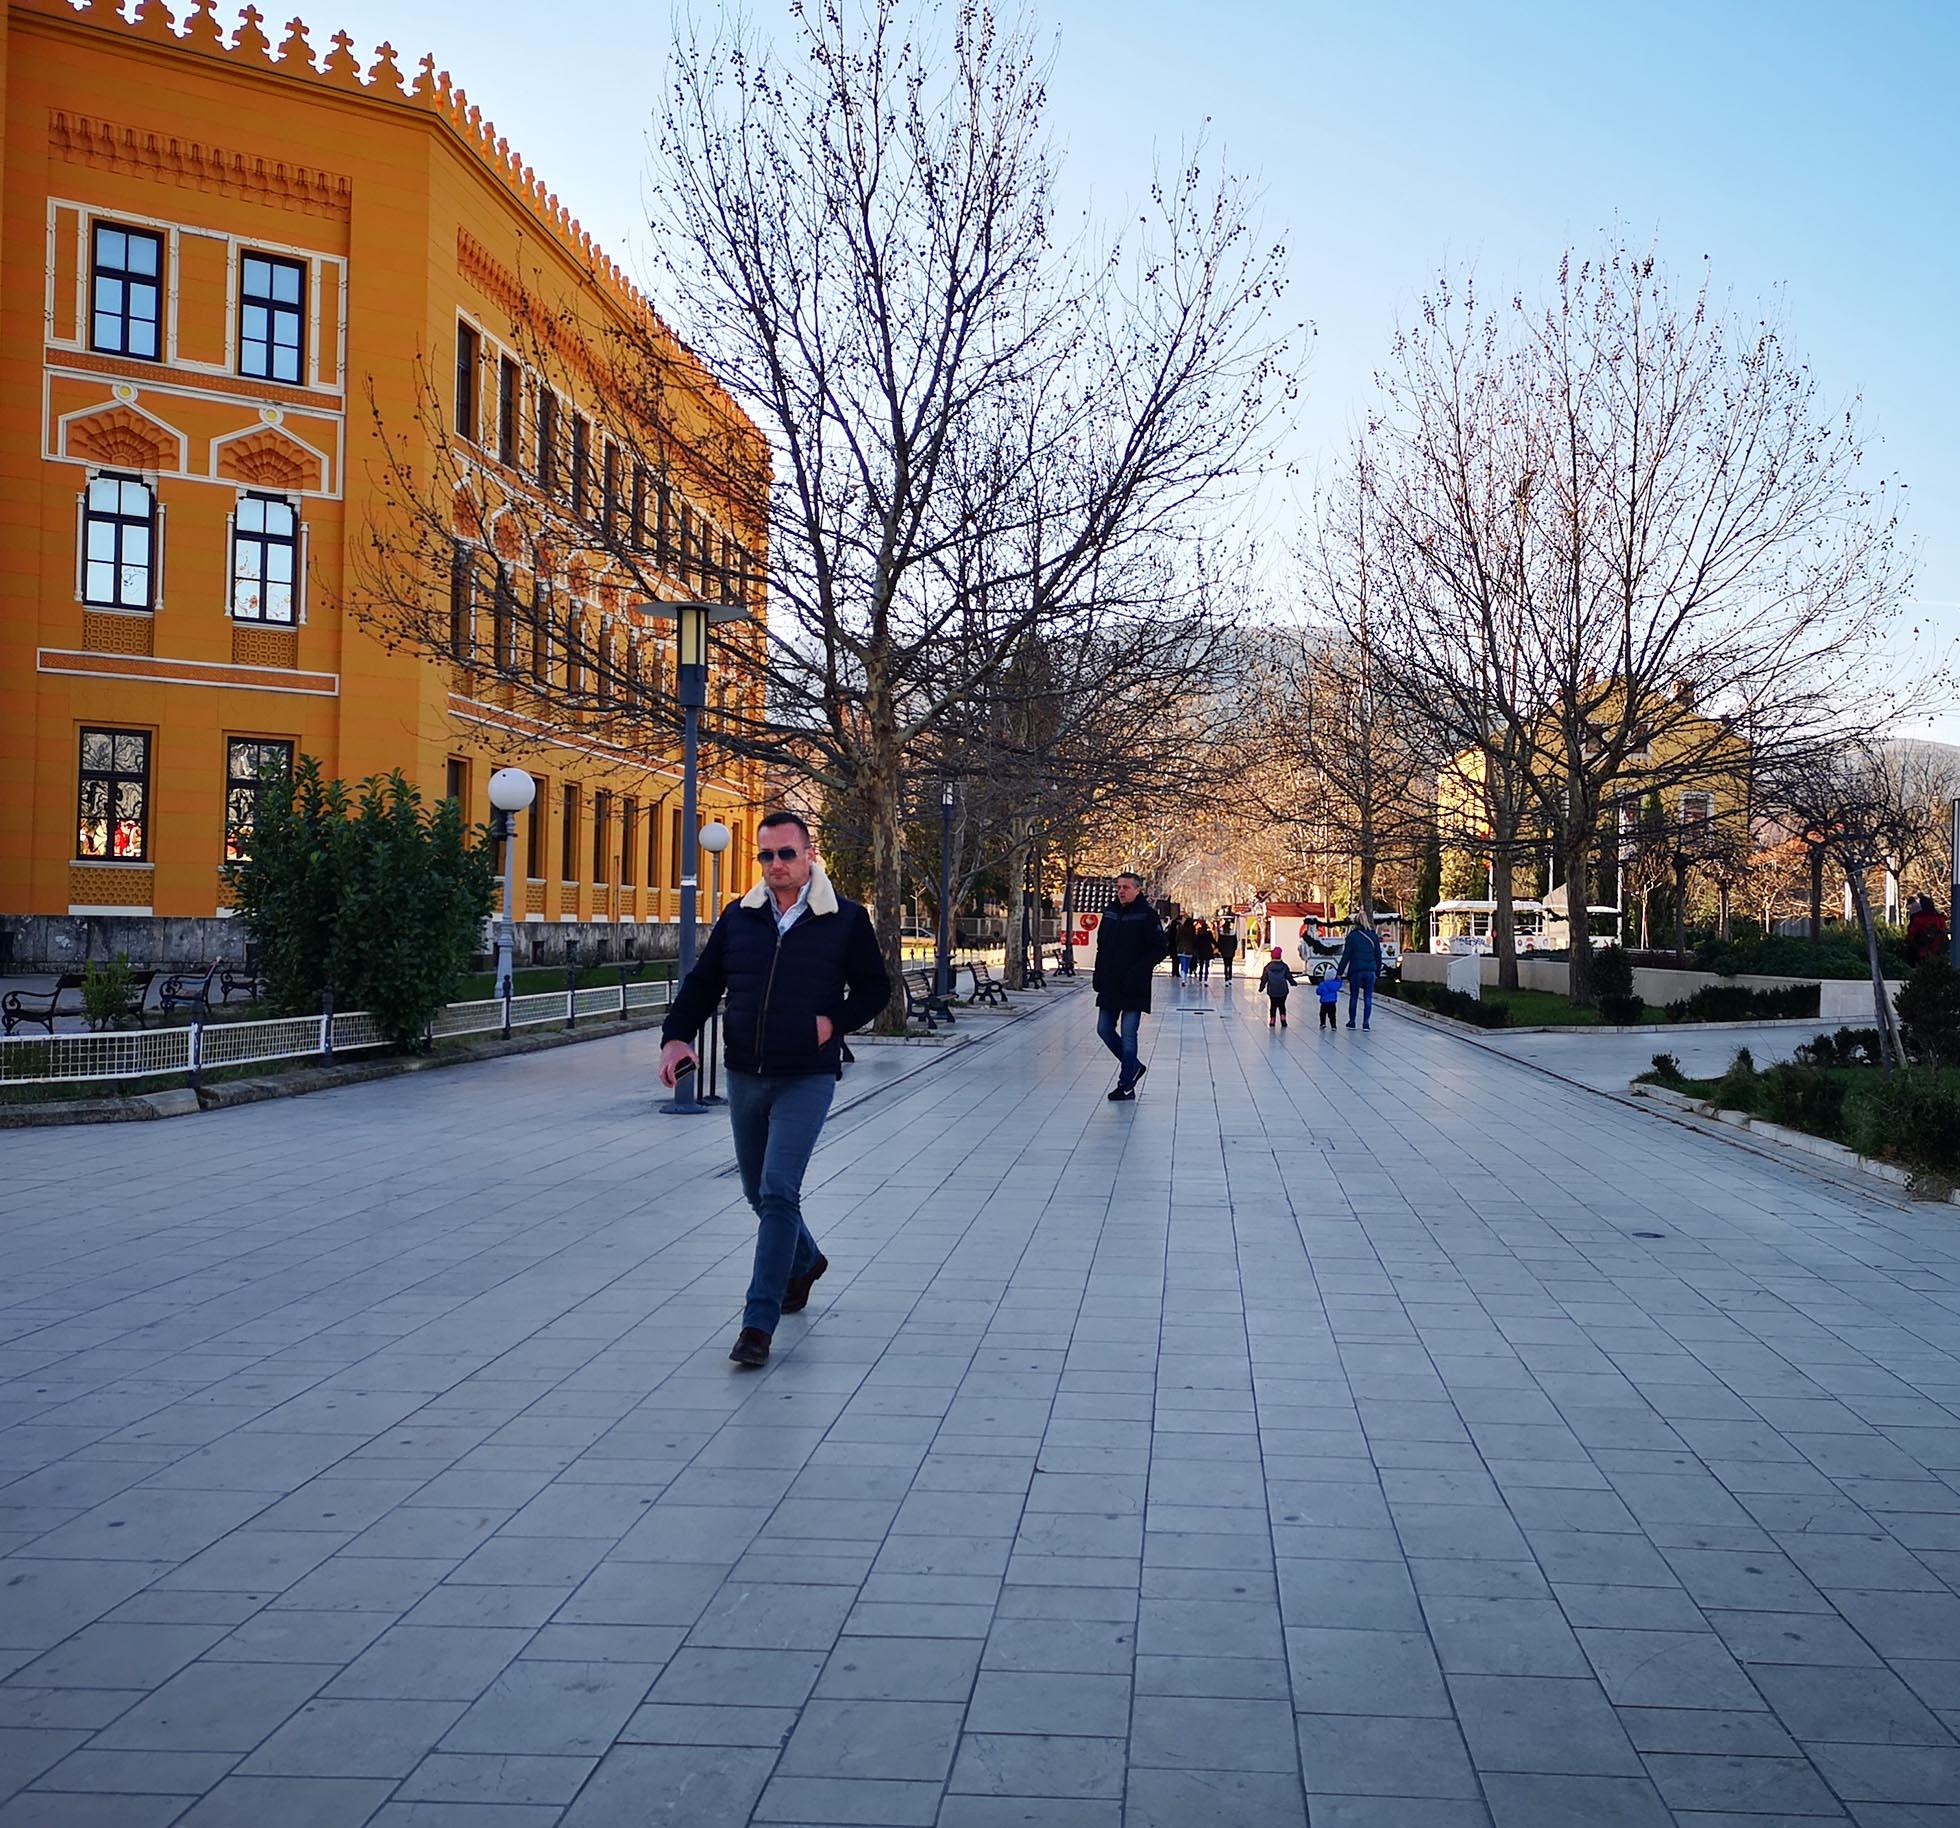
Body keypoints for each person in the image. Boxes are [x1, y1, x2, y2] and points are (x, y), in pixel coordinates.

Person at [659, 811, 891, 1369]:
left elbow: (875, 989)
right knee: (757, 1192)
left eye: (786, 853)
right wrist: (675, 1037)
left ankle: (757, 1324)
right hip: (744, 1073)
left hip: (807, 1075)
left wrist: (832, 1021)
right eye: (766, 855)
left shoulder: (845, 919)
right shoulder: (741, 917)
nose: (776, 865)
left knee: (780, 1189)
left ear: (810, 856)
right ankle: (806, 1261)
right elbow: (702, 983)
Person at [1094, 871, 1168, 1099]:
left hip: (1134, 985)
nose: (1121, 891)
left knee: (1128, 1033)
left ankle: (1126, 1084)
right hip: (1110, 982)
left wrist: (1139, 969)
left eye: (1126, 887)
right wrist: (1099, 974)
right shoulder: (1110, 913)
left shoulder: (1147, 915)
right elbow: (1101, 945)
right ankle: (1134, 1066)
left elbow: (1160, 948)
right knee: (1104, 1029)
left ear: (1137, 890)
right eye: (1118, 887)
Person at [1337, 918, 1385, 1029]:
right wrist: (1377, 970)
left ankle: (1352, 1022)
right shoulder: (1373, 936)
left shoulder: (1352, 936)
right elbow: (1378, 954)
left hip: (1356, 970)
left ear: (1355, 923)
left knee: (1354, 996)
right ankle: (1366, 1024)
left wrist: (1339, 972)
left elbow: (1346, 956)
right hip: (1370, 970)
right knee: (1368, 997)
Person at [1906, 894, 1949, 968]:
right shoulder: (1937, 917)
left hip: (1931, 949)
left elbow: (1911, 935)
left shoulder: (1919, 918)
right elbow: (1911, 935)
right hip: (1927, 949)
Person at [1257, 947, 1295, 1028]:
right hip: (1282, 990)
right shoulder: (1284, 966)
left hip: (1272, 990)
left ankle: (1272, 1020)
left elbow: (1264, 979)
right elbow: (1289, 976)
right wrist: (1293, 983)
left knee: (1273, 1005)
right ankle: (1283, 1019)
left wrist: (1261, 988)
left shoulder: (1267, 967)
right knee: (1282, 1005)